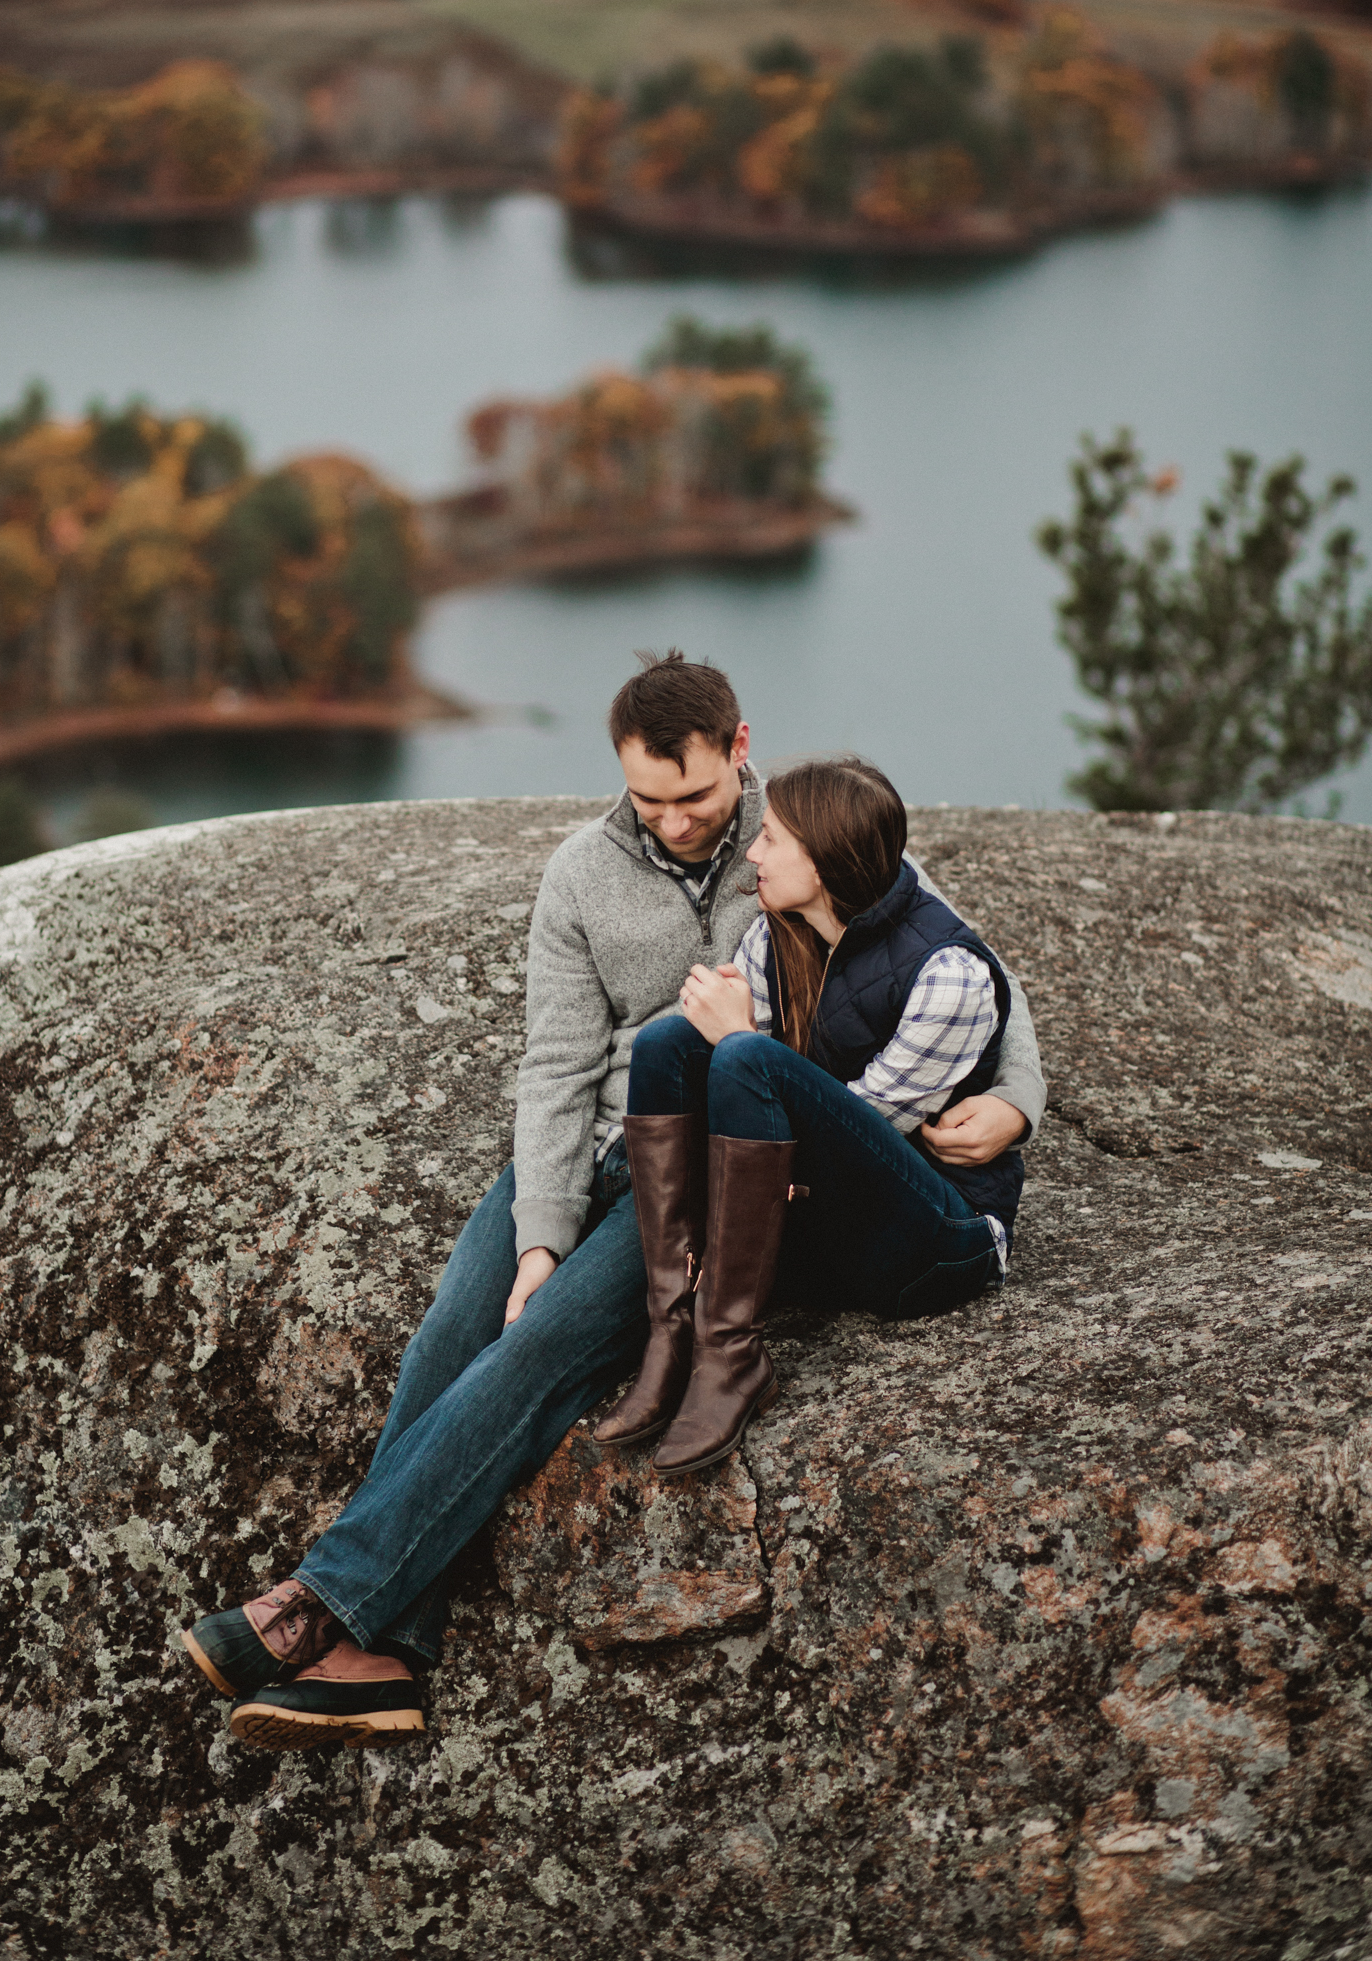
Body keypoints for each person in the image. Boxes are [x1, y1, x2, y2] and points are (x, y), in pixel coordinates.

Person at [180, 652, 1045, 1750]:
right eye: (650, 799)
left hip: (699, 1157)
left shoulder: (802, 834)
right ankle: (381, 1654)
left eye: (696, 795)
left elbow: (971, 969)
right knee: (450, 1331)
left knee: (540, 1352)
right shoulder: (578, 875)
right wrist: (538, 1232)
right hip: (591, 1136)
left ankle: (321, 1607)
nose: (678, 822)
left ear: (739, 747)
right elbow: (551, 1063)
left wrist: (1015, 1099)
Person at [595, 753, 1022, 1477]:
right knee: (669, 1039)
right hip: (829, 1226)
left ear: (821, 862)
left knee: (743, 1057)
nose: (751, 854)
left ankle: (730, 1357)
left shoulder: (949, 976)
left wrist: (738, 1039)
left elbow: (855, 1130)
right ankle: (673, 1333)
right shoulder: (777, 932)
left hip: (932, 1244)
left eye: (771, 841)